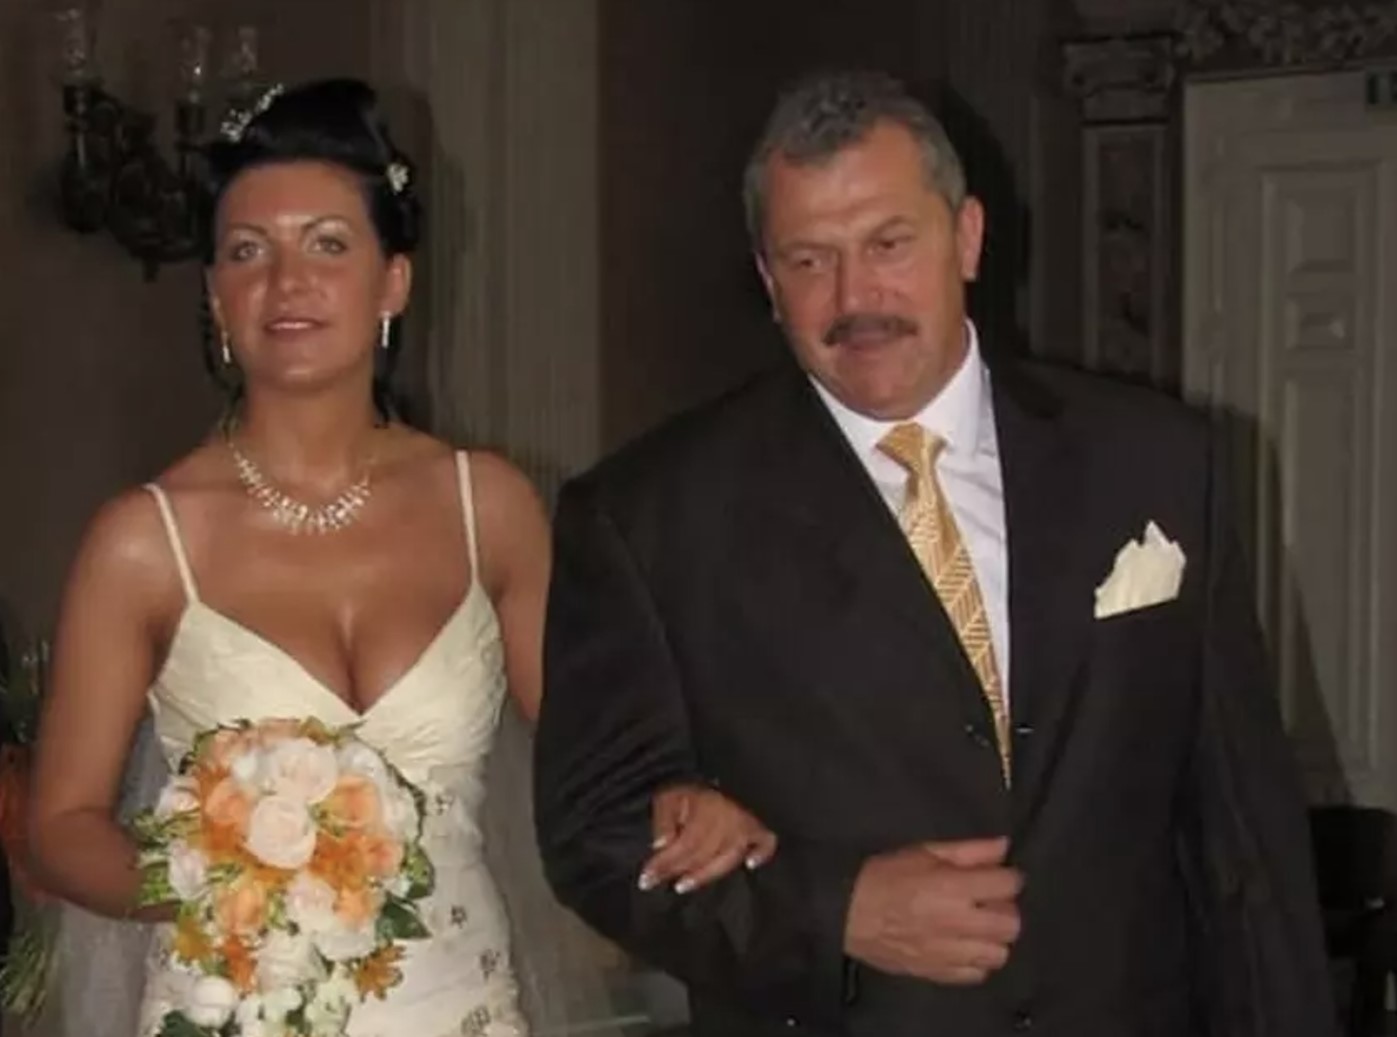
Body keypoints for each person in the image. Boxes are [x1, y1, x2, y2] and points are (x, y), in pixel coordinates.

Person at [534, 70, 1336, 1037]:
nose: (854, 297)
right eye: (809, 259)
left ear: (966, 237)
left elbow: (1243, 836)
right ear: (767, 279)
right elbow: (598, 835)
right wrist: (835, 912)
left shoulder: (1153, 462)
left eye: (888, 243)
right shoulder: (648, 516)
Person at [27, 78, 772, 1037]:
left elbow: (596, 755)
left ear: (393, 283)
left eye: (327, 245)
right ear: (215, 295)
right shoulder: (142, 539)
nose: (286, 281)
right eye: (248, 251)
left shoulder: (487, 507)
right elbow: (61, 827)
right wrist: (217, 882)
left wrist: (686, 796)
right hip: (233, 1008)